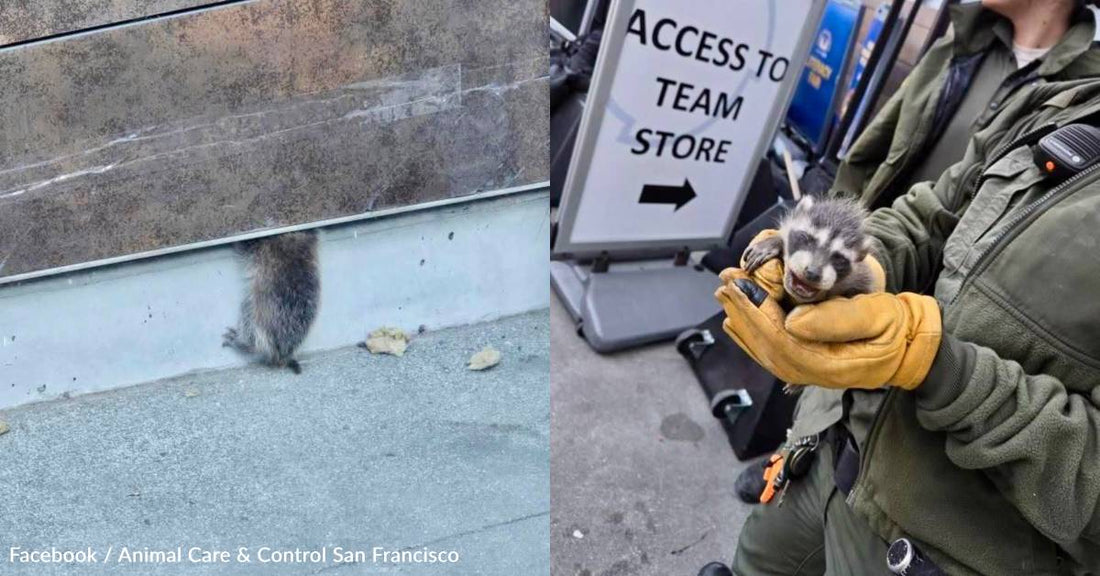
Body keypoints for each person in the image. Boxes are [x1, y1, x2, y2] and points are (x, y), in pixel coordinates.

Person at [709, 0, 1100, 574]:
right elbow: (935, 212)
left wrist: (935, 365)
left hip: (937, 546)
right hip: (835, 444)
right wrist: (854, 275)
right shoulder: (1063, 106)